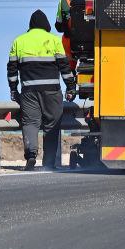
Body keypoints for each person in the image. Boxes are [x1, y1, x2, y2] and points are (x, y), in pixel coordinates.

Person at [8, 10, 75, 170]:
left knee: (30, 122)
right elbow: (64, 66)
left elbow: (11, 69)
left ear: (30, 26)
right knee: (52, 124)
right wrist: (70, 87)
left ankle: (31, 155)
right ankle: (49, 162)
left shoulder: (19, 41)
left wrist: (13, 89)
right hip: (51, 90)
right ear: (46, 25)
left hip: (29, 90)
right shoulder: (53, 40)